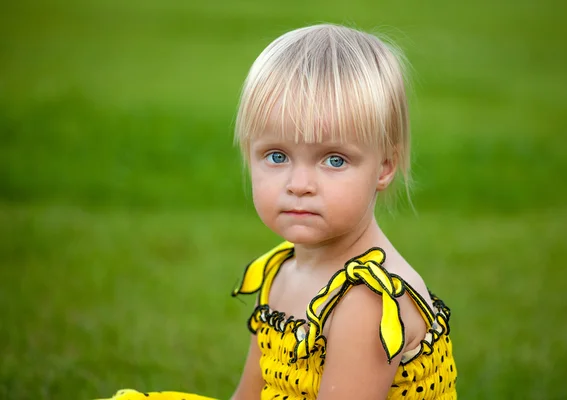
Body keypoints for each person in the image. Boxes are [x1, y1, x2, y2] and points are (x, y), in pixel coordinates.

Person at [98, 23, 457, 400]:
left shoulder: (367, 301)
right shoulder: (278, 272)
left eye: (334, 160)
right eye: (277, 156)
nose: (299, 183)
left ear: (384, 167)